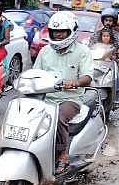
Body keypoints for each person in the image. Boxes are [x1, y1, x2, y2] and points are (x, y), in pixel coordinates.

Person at [33, 11, 93, 175]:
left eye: (62, 32)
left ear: (71, 32)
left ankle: (62, 154)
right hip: (46, 97)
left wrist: (76, 82)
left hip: (70, 99)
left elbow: (87, 77)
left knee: (58, 117)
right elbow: (35, 73)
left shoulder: (82, 51)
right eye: (55, 31)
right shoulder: (45, 51)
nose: (58, 35)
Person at [89, 8, 119, 96]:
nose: (108, 23)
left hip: (113, 57)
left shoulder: (116, 33)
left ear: (113, 21)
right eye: (106, 20)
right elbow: (91, 44)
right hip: (99, 56)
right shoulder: (97, 33)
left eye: (110, 21)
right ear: (103, 21)